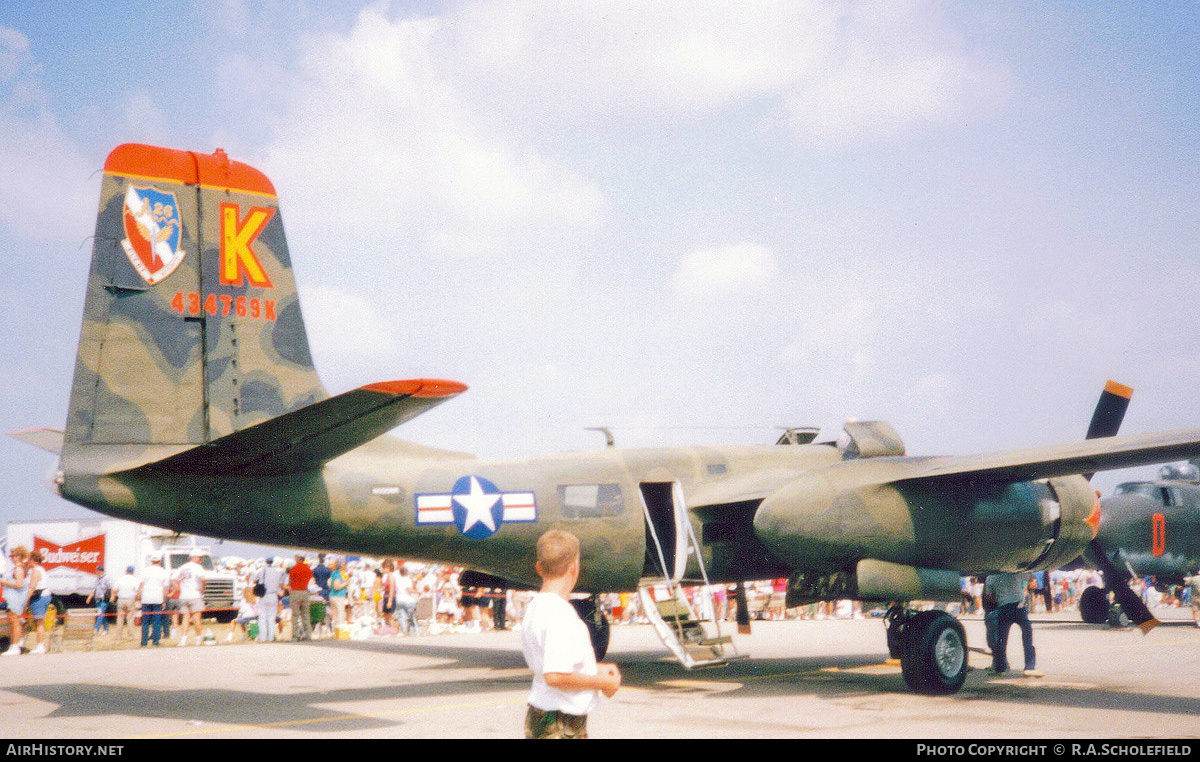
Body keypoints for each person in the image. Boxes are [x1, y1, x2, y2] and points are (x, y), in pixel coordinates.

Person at [520, 530, 621, 739]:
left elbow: (544, 664)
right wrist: (604, 683)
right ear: (574, 567)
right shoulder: (560, 615)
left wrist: (595, 668)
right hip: (560, 723)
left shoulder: (536, 607)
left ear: (539, 568)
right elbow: (555, 675)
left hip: (544, 715)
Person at [985, 572, 1042, 677]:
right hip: (1019, 607)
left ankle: (1000, 668)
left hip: (1003, 608)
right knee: (1027, 636)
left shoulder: (991, 577)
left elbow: (989, 596)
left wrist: (1001, 600)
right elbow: (1030, 578)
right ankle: (1029, 667)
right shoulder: (1016, 573)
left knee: (1001, 640)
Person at [173, 551, 207, 646]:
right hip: (195, 595)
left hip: (184, 596)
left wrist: (178, 588)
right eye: (199, 558)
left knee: (185, 617)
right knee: (196, 618)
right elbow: (203, 579)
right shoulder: (197, 567)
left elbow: (172, 578)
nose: (200, 560)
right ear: (194, 557)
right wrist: (202, 589)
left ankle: (183, 640)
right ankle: (198, 638)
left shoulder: (183, 567)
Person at [138, 553, 170, 647]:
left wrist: (139, 598)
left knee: (145, 622)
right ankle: (155, 642)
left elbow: (141, 586)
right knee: (156, 622)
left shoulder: (145, 571)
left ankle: (144, 642)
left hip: (146, 599)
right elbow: (165, 588)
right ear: (160, 561)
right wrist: (164, 601)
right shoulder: (163, 572)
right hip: (158, 599)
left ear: (151, 561)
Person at [2, 546, 29, 656]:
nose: (11, 558)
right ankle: (13, 645)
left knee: (15, 622)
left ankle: (15, 646)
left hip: (16, 598)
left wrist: (4, 581)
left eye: (12, 556)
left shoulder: (18, 569)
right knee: (13, 622)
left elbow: (19, 584)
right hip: (12, 598)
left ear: (19, 556)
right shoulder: (17, 568)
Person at [23, 550, 50, 654]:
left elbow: (32, 588)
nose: (28, 561)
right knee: (39, 621)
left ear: (34, 560)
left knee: (39, 622)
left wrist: (26, 602)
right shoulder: (41, 569)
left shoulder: (35, 571)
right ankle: (40, 645)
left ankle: (40, 646)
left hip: (39, 598)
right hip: (45, 596)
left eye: (29, 559)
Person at [256, 557, 286, 642]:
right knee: (271, 618)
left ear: (266, 562)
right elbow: (280, 584)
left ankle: (263, 638)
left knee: (262, 617)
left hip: (264, 595)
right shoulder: (278, 572)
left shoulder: (262, 571)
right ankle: (271, 637)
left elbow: (256, 580)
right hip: (273, 595)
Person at [288, 554, 313, 641]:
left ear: (299, 559)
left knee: (295, 615)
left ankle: (295, 636)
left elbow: (290, 581)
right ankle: (308, 635)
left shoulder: (294, 568)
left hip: (296, 592)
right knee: (305, 615)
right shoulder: (308, 569)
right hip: (305, 592)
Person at [86, 565, 114, 634]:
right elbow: (94, 589)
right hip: (97, 599)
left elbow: (111, 588)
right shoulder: (97, 579)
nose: (96, 572)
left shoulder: (106, 578)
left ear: (100, 571)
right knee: (102, 614)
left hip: (104, 600)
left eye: (97, 570)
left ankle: (96, 629)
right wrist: (90, 597)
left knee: (100, 614)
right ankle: (106, 630)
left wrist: (112, 596)